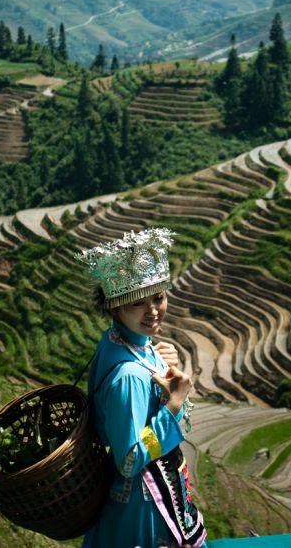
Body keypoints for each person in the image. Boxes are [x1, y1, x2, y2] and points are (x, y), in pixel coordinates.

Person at [77, 228, 206, 548]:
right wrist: (174, 405)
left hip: (150, 491)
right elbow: (130, 459)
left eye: (158, 297)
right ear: (115, 308)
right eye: (138, 303)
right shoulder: (129, 378)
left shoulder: (119, 342)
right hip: (145, 505)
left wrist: (162, 359)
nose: (152, 311)